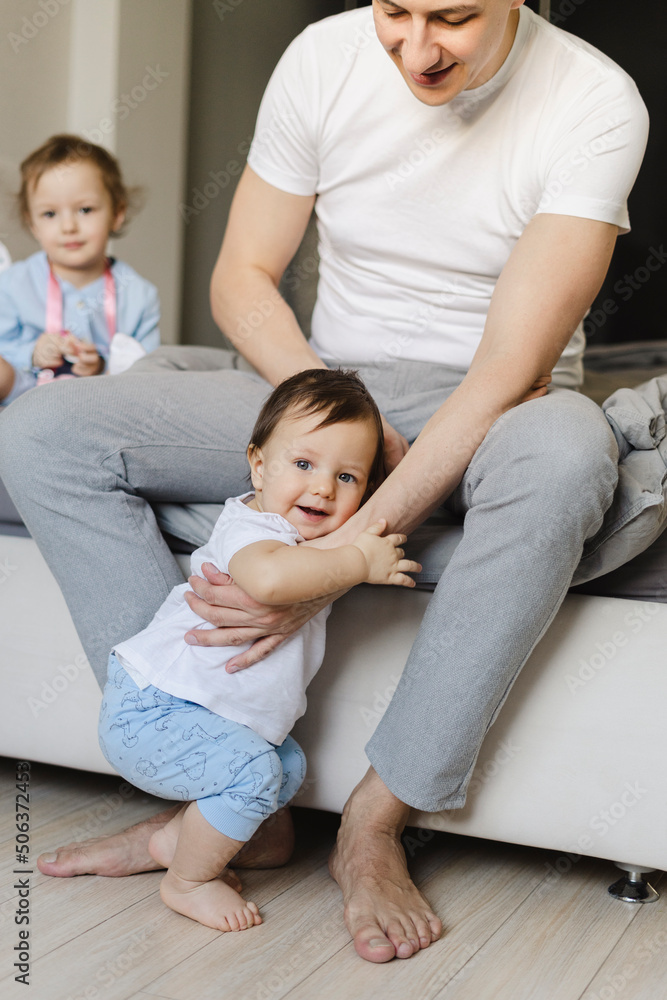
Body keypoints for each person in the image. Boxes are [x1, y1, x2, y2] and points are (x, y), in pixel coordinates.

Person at [0, 0, 651, 965]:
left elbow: (508, 366)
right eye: (395, 11)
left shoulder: (594, 98)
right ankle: (217, 786)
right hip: (324, 386)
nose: (417, 49)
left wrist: (333, 565)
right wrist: (327, 423)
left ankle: (375, 821)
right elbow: (242, 278)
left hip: (503, 397)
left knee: (569, 457)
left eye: (455, 19)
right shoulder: (320, 57)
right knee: (46, 429)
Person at [99, 367, 419, 932]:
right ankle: (188, 882)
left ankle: (175, 840)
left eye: (348, 477)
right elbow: (271, 581)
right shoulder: (253, 527)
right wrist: (359, 562)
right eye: (303, 464)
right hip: (154, 710)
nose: (323, 487)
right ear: (258, 466)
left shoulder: (302, 541)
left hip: (189, 713)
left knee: (285, 767)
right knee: (252, 772)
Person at [0, 134, 160, 404]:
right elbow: (5, 344)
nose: (68, 227)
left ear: (117, 213)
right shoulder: (13, 284)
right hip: (25, 394)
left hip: (102, 401)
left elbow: (149, 367)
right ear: (32, 224)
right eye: (50, 214)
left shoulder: (140, 295)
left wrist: (101, 364)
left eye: (85, 210)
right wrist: (31, 353)